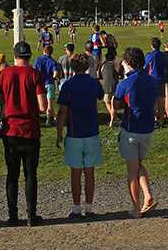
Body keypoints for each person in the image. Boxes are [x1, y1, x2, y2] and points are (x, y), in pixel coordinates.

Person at [0, 41, 48, 227]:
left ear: (15, 56)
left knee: (12, 174)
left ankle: (13, 216)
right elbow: (43, 106)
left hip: (11, 130)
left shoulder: (5, 73)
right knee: (30, 174)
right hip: (30, 130)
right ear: (29, 56)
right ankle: (31, 215)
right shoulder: (35, 74)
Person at [56, 52, 104, 220]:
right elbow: (100, 96)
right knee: (89, 172)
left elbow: (62, 112)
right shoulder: (94, 83)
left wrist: (59, 133)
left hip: (74, 133)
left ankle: (77, 209)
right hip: (91, 132)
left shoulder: (68, 86)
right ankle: (89, 208)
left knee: (75, 173)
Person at [112, 47, 158, 219]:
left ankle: (136, 209)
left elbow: (116, 104)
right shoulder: (152, 80)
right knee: (139, 164)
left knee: (132, 170)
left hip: (131, 129)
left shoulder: (125, 83)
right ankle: (147, 196)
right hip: (147, 130)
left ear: (128, 63)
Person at [33, 45, 59, 127]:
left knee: (40, 103)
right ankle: (52, 119)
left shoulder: (39, 60)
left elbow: (34, 69)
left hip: (40, 84)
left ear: (44, 51)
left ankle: (49, 120)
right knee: (49, 103)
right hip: (50, 83)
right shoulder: (53, 62)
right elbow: (55, 74)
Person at [144, 37, 167, 128]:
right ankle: (160, 121)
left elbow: (146, 66)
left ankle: (154, 119)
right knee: (160, 101)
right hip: (161, 78)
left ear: (152, 45)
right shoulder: (163, 55)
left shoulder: (150, 55)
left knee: (152, 101)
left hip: (152, 79)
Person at [100, 51, 120, 127]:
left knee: (107, 102)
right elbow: (119, 73)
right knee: (113, 104)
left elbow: (100, 73)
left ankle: (114, 119)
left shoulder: (103, 65)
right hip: (115, 85)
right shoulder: (116, 65)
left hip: (106, 86)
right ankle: (115, 119)